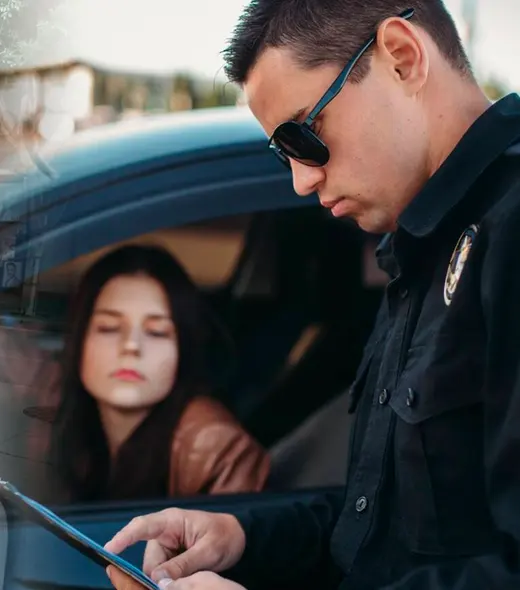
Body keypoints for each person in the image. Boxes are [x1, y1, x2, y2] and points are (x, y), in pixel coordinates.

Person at [104, 1, 520, 589]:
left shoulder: (508, 233)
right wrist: (243, 540)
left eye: (306, 134)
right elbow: (376, 532)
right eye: (284, 153)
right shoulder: (414, 251)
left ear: (401, 57)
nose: (302, 179)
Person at [47, 244, 268, 503]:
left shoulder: (216, 447)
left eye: (156, 332)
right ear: (79, 340)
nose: (131, 346)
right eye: (109, 328)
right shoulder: (57, 424)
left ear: (182, 349)